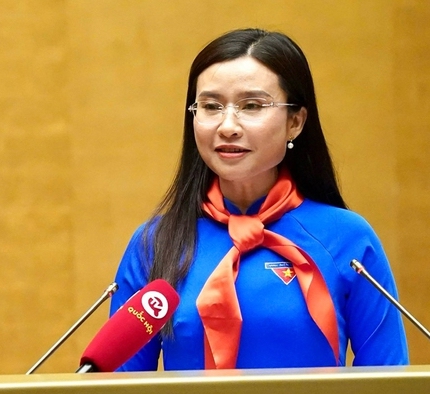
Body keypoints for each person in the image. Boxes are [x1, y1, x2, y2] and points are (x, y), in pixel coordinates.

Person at [109, 28, 409, 371]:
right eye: (211, 106)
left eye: (251, 105)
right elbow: (119, 387)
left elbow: (389, 384)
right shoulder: (156, 243)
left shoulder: (348, 238)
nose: (227, 126)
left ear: (295, 122)